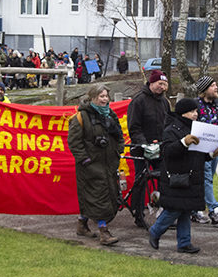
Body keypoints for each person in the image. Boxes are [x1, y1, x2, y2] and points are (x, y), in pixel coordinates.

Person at [67, 83, 124, 245]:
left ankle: (82, 224)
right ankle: (103, 231)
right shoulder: (81, 117)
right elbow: (74, 141)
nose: (105, 99)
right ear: (93, 98)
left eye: (106, 96)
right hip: (89, 165)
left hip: (109, 163)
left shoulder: (110, 115)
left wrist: (118, 151)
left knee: (105, 195)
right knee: (99, 196)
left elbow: (119, 135)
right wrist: (84, 159)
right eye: (102, 96)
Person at [147, 97, 204, 254]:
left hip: (191, 176)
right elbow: (167, 151)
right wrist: (184, 142)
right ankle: (155, 231)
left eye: (196, 111)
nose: (195, 114)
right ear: (183, 113)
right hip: (176, 176)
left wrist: (211, 154)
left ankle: (184, 242)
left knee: (186, 209)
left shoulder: (196, 129)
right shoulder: (171, 129)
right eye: (192, 111)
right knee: (175, 209)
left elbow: (198, 153)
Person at [126, 69, 170, 228]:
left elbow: (168, 124)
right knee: (140, 181)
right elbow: (134, 127)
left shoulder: (164, 102)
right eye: (160, 84)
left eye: (165, 84)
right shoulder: (138, 101)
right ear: (151, 83)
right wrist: (145, 144)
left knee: (163, 181)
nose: (162, 87)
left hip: (161, 149)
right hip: (141, 149)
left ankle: (164, 214)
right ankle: (138, 213)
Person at [195, 74, 218, 224]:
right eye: (213, 85)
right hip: (200, 150)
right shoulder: (196, 106)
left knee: (207, 179)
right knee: (206, 178)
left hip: (215, 149)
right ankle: (214, 210)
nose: (216, 88)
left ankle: (195, 209)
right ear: (205, 89)